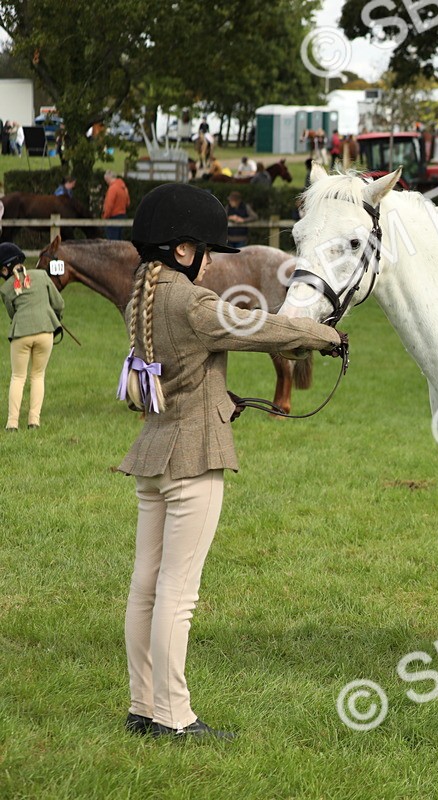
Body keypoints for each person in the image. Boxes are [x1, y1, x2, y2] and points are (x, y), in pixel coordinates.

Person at [116, 183, 344, 740]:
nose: (212, 260)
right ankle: (175, 717)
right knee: (177, 594)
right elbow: (264, 327)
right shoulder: (192, 302)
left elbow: (172, 377)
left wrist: (221, 398)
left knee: (145, 585)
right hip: (193, 457)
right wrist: (324, 334)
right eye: (206, 249)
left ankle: (143, 707)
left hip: (154, 453)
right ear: (182, 250)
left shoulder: (139, 300)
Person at [1, 242, 64, 431]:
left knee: (18, 377)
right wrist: (53, 316)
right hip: (45, 332)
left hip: (21, 334)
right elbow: (59, 304)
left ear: (5, 268)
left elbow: (12, 313)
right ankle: (34, 422)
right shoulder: (42, 275)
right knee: (38, 376)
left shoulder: (5, 289)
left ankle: (12, 423)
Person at [103, 170, 130, 240]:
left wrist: (105, 216)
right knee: (119, 240)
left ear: (108, 178)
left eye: (106, 180)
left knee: (112, 242)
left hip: (113, 217)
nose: (107, 183)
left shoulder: (112, 188)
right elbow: (128, 203)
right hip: (122, 216)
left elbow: (109, 205)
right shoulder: (124, 188)